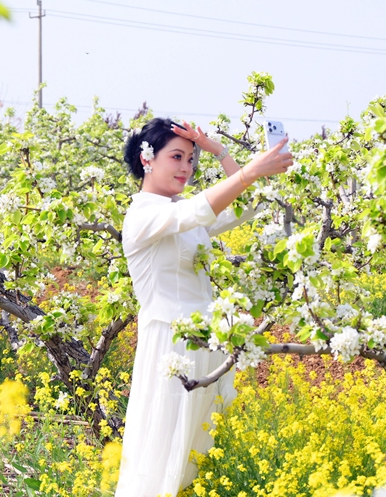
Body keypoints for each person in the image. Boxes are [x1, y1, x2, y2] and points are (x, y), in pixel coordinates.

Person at [114, 118, 292, 497]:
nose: (187, 168)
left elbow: (244, 207)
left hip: (206, 344)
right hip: (170, 347)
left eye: (191, 159)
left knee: (199, 451)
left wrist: (218, 150)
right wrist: (250, 170)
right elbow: (198, 210)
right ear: (147, 159)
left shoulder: (184, 211)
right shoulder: (143, 215)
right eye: (176, 157)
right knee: (164, 450)